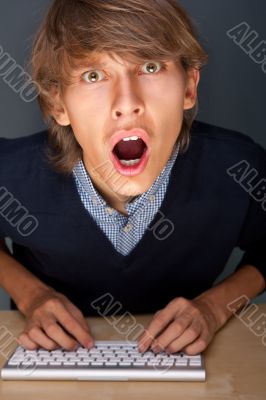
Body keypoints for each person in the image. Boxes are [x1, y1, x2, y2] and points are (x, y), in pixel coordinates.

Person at [0, 0, 265, 356]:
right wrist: (31, 295)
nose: (126, 103)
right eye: (93, 75)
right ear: (58, 103)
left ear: (189, 87)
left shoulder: (237, 170)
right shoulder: (15, 174)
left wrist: (214, 306)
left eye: (150, 66)